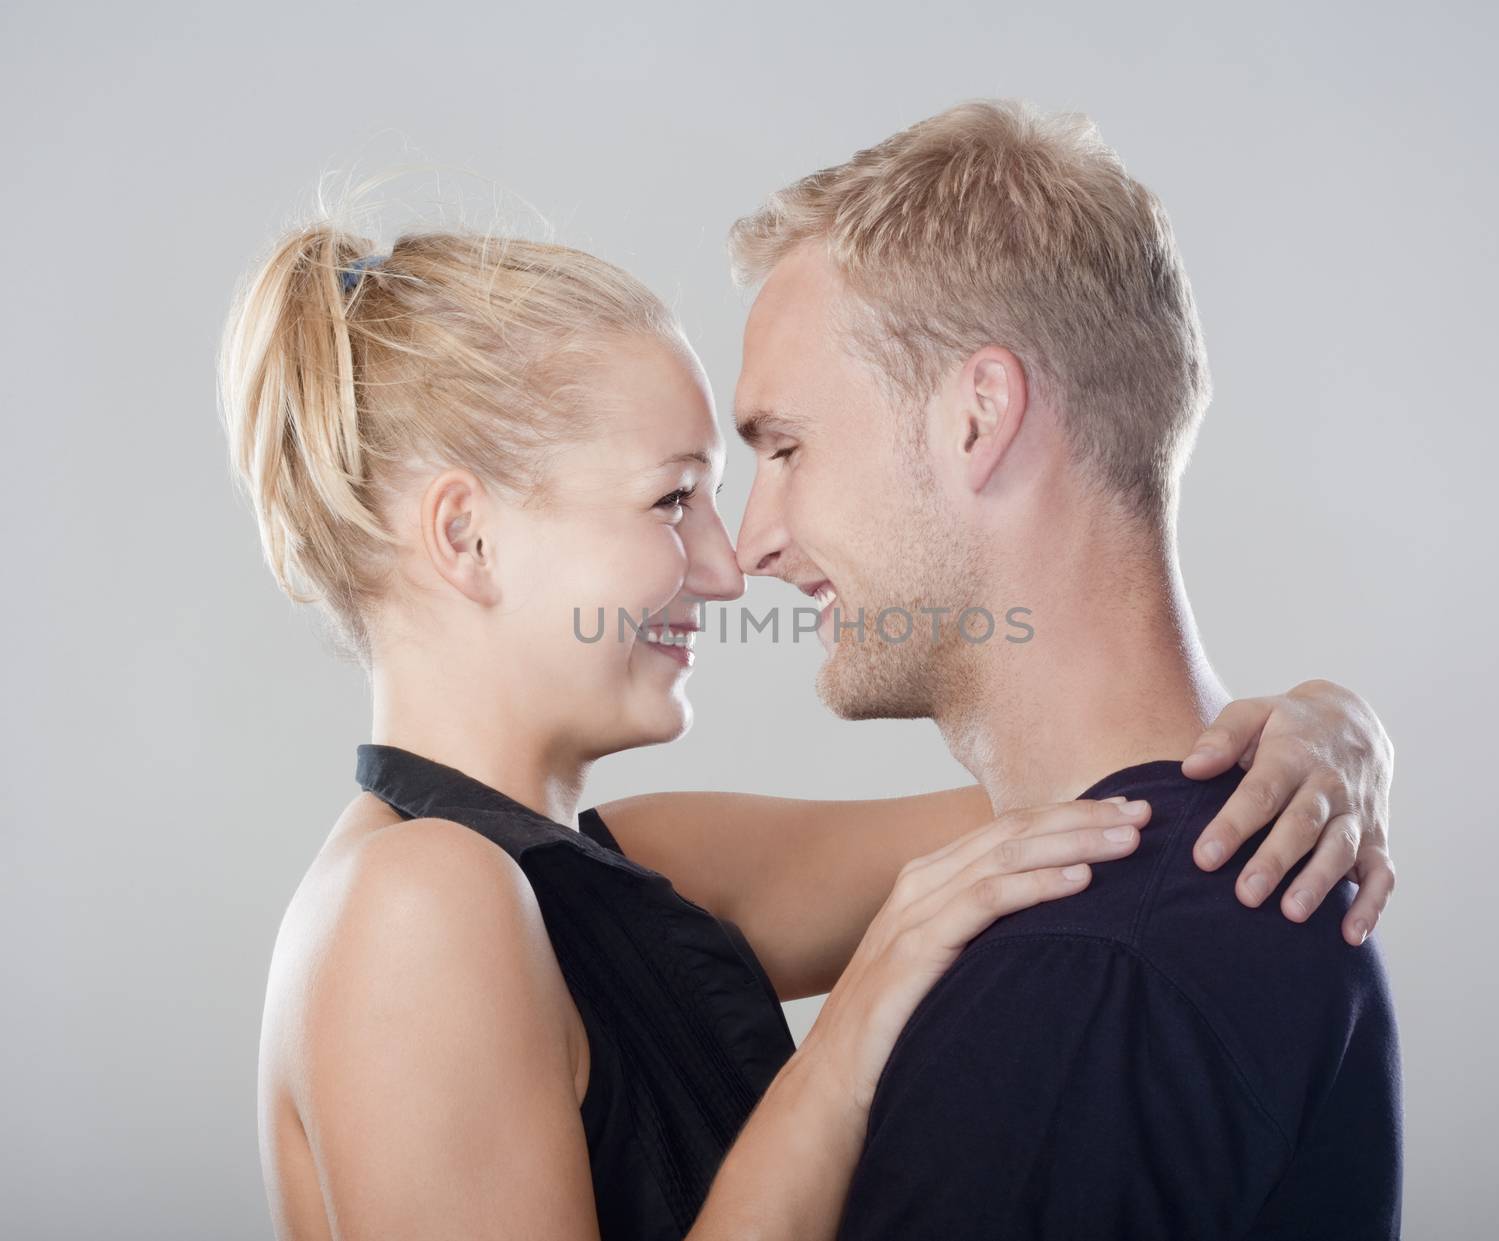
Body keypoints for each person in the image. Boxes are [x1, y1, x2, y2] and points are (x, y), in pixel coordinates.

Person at [216, 175, 1394, 1239]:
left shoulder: (634, 863)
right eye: (673, 499)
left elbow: (1098, 800)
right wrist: (844, 1043)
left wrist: (1324, 727)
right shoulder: (414, 906)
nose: (731, 567)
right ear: (467, 535)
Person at [721, 99, 1403, 1238]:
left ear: (978, 417)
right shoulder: (1194, 870)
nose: (750, 544)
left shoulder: (1088, 973)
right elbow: (600, 887)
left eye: (786, 449)